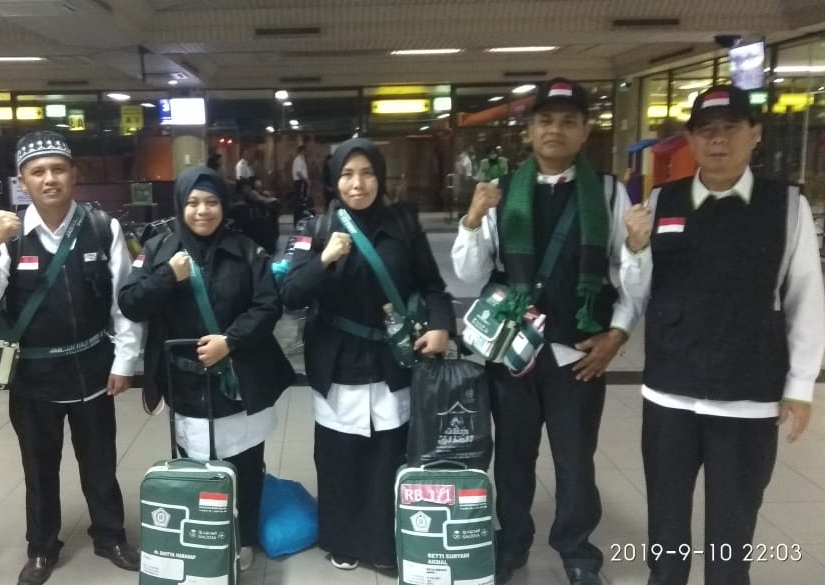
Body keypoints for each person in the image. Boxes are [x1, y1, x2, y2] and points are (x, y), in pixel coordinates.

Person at [621, 85, 825, 585]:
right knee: (666, 530)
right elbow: (638, 289)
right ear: (690, 139)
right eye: (706, 132)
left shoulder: (785, 205)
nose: (718, 142)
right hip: (669, 392)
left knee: (731, 539)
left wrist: (800, 387)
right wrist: (634, 248)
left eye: (730, 130)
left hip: (747, 396)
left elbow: (804, 297)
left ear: (754, 135)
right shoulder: (662, 201)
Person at [451, 78, 638, 585]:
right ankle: (511, 543)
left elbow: (629, 271)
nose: (556, 129)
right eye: (545, 120)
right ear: (529, 131)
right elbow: (469, 274)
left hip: (578, 356)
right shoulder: (503, 192)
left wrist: (618, 332)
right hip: (513, 356)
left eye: (568, 121)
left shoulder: (606, 192)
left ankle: (578, 552)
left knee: (576, 461)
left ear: (585, 132)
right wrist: (472, 219)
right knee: (513, 458)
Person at [0, 131, 143, 585]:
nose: (49, 179)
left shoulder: (103, 227)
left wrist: (124, 362)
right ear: (22, 179)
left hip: (92, 368)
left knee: (100, 460)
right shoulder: (10, 235)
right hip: (33, 374)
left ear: (74, 174)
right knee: (39, 467)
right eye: (37, 171)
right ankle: (42, 547)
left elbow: (126, 300)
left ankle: (110, 536)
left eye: (58, 169)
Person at [282, 138, 455, 572]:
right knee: (339, 454)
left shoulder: (403, 225)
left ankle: (382, 542)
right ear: (334, 180)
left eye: (367, 173)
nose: (357, 184)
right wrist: (324, 259)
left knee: (387, 451)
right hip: (336, 359)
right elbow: (288, 293)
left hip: (391, 356)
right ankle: (341, 537)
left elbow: (433, 286)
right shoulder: (315, 228)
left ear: (380, 177)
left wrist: (441, 326)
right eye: (346, 174)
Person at [118, 165, 295, 571]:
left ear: (223, 205)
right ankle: (202, 531)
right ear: (180, 205)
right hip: (183, 383)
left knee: (246, 463)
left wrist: (229, 342)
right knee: (195, 462)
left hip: (239, 378)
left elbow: (268, 305)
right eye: (193, 202)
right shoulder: (159, 249)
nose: (202, 211)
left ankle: (244, 534)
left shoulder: (247, 250)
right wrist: (167, 276)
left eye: (211, 202)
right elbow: (130, 302)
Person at [292, 144, 311, 224]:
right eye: (305, 151)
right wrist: (306, 180)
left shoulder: (302, 160)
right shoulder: (298, 160)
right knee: (300, 201)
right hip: (300, 182)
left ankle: (303, 216)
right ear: (302, 151)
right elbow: (299, 172)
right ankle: (299, 219)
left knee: (303, 200)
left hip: (302, 182)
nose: (306, 152)